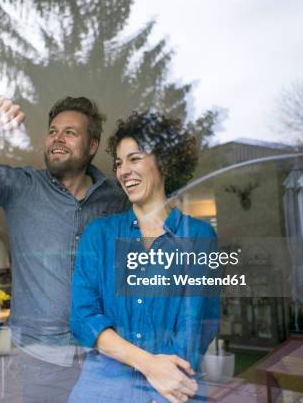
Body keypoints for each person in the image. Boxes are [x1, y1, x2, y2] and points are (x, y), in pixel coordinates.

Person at [0, 96, 127, 402]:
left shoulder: (116, 200)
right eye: (52, 131)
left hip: (107, 352)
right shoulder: (20, 187)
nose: (57, 138)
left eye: (70, 132)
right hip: (43, 356)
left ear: (92, 146)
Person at [69, 111, 220, 403]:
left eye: (134, 158)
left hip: (172, 392)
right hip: (101, 393)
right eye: (118, 163)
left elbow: (195, 327)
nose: (124, 171)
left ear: (163, 161)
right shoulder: (99, 234)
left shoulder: (199, 237)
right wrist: (148, 364)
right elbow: (82, 317)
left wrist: (160, 380)